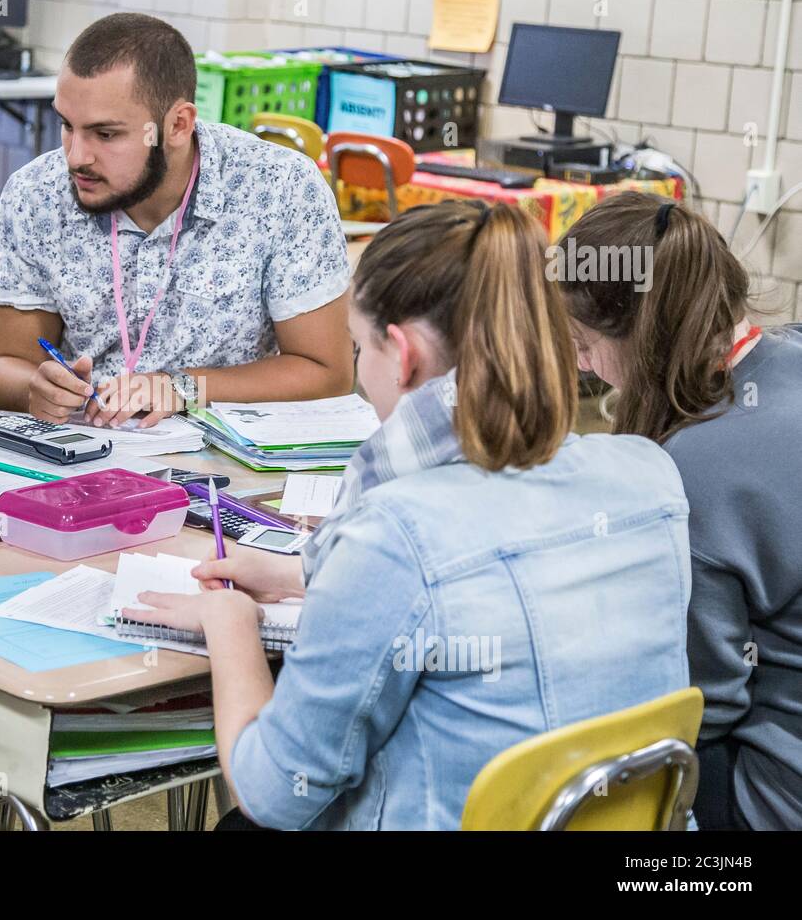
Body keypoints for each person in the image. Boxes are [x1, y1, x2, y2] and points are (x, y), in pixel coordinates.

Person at [131, 201, 692, 830]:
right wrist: (303, 575)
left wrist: (228, 622)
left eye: (359, 347)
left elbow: (276, 794)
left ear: (401, 354)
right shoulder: (649, 474)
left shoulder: (393, 532)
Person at [557, 190, 802, 830]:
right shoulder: (792, 354)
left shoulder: (694, 475)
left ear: (642, 338)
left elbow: (698, 708)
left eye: (583, 345)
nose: (583, 366)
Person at [0, 12, 354, 429]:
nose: (76, 157)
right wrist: (35, 387)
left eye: (106, 135)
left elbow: (328, 372)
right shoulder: (36, 194)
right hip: (85, 453)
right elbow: (4, 364)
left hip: (227, 460)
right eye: (67, 126)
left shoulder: (280, 187)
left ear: (177, 125)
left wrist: (184, 388)